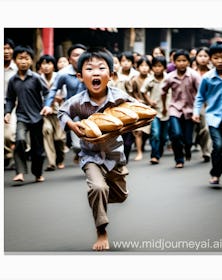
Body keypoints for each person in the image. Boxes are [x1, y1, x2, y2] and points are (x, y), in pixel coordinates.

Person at [57, 48, 138, 251]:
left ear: (110, 75)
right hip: (90, 154)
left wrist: (129, 124)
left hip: (115, 154)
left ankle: (99, 199)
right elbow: (62, 113)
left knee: (121, 195)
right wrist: (71, 125)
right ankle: (101, 231)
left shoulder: (119, 96)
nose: (95, 72)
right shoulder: (77, 101)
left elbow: (138, 110)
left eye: (101, 68)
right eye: (89, 68)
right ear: (79, 76)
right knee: (98, 188)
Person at [4, 45, 49, 183]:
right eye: (20, 58)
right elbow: (10, 99)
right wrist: (7, 112)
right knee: (19, 140)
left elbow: (47, 93)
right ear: (15, 60)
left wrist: (47, 106)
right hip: (22, 116)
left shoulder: (36, 78)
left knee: (38, 150)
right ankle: (20, 172)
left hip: (37, 117)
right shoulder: (13, 80)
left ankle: (37, 173)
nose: (23, 61)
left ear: (31, 61)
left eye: (26, 58)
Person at [40, 44, 87, 162]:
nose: (79, 57)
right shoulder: (63, 73)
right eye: (76, 55)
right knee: (77, 145)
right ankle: (80, 153)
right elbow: (54, 89)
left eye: (82, 55)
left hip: (92, 109)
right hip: (74, 111)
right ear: (70, 59)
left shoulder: (92, 70)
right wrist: (47, 105)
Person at [192, 41, 222, 185]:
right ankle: (215, 172)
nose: (219, 61)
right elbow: (200, 97)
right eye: (216, 58)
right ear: (211, 59)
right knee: (218, 146)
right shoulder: (207, 78)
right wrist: (196, 112)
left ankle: (218, 166)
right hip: (213, 117)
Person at [161, 49, 201, 168]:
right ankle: (179, 159)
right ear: (174, 62)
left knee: (188, 140)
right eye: (178, 60)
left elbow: (201, 93)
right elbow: (163, 92)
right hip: (175, 109)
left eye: (184, 60)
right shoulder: (170, 77)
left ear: (188, 62)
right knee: (176, 134)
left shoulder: (194, 75)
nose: (181, 63)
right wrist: (164, 107)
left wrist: (199, 109)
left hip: (190, 109)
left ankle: (187, 149)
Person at [38, 54, 66, 171]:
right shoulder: (37, 78)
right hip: (44, 112)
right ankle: (51, 162)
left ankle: (60, 158)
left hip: (58, 111)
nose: (46, 66)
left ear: (53, 66)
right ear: (40, 66)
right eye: (43, 64)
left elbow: (64, 95)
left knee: (59, 138)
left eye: (48, 63)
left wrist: (57, 99)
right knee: (47, 131)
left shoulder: (59, 77)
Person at [141, 56, 169, 164]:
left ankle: (159, 151)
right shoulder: (150, 79)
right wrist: (149, 102)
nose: (157, 68)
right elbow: (143, 91)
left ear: (164, 67)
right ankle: (154, 155)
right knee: (155, 133)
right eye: (155, 66)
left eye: (160, 66)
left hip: (167, 111)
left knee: (164, 136)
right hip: (155, 111)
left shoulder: (168, 78)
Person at [128, 56, 152, 161]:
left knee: (150, 133)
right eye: (142, 65)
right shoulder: (134, 80)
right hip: (139, 108)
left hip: (152, 107)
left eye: (146, 65)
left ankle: (142, 145)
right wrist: (137, 99)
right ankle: (139, 152)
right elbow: (131, 93)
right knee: (138, 132)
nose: (144, 68)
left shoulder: (152, 78)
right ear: (137, 67)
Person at [192, 47, 213, 162]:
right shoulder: (191, 72)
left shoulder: (213, 73)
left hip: (209, 105)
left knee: (206, 129)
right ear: (196, 58)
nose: (203, 58)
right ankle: (196, 143)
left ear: (209, 58)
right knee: (196, 130)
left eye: (205, 56)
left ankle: (206, 151)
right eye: (200, 56)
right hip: (192, 105)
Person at [4, 38, 18, 169]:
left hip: (13, 104)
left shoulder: (17, 68)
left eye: (8, 48)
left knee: (9, 134)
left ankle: (10, 156)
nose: (6, 51)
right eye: (3, 48)